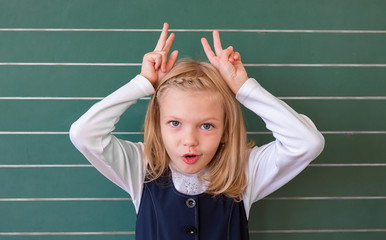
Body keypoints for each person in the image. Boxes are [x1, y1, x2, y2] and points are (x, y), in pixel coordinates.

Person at [69, 22, 324, 239]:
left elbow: (307, 142)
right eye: (175, 123)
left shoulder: (244, 170)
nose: (189, 141)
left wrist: (243, 88)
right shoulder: (141, 167)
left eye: (206, 126)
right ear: (158, 125)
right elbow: (84, 134)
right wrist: (143, 84)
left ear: (225, 130)